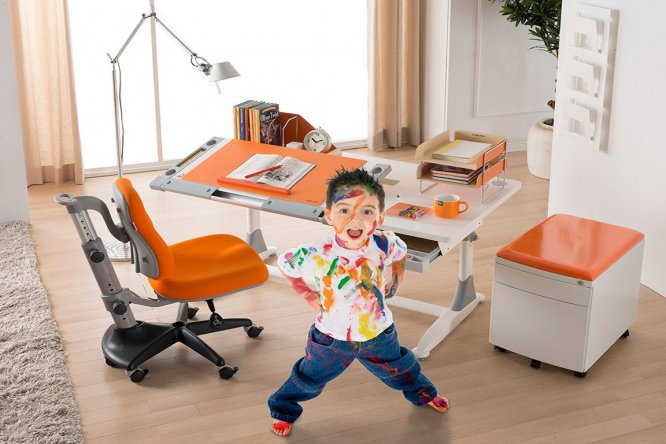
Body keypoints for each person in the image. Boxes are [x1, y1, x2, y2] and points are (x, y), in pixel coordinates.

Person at [268, 168, 449, 437]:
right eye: (344, 210)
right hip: (331, 338)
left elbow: (400, 252)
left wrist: (397, 278)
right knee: (309, 377)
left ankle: (424, 395)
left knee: (402, 370)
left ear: (380, 217)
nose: (355, 219)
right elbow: (285, 264)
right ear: (328, 215)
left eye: (367, 211)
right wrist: (307, 294)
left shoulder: (384, 242)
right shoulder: (316, 253)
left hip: (379, 333)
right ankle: (283, 409)